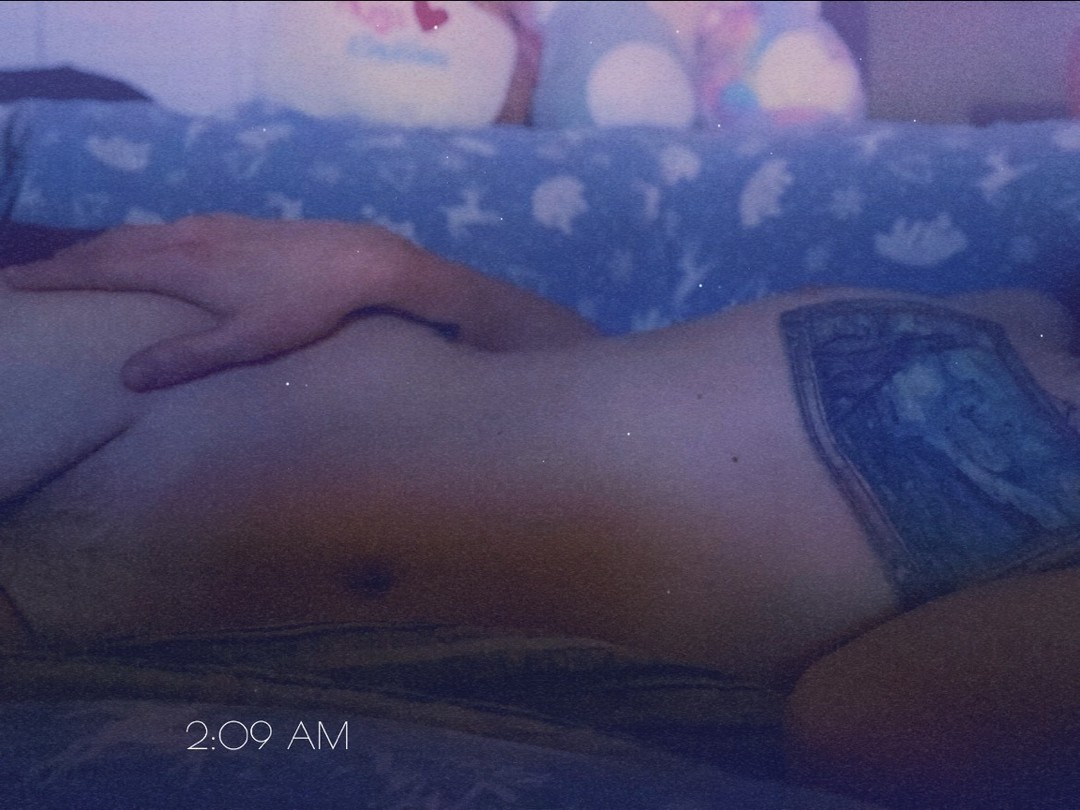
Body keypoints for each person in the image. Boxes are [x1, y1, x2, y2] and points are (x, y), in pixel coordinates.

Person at [3, 214, 1080, 806]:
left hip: (181, 568)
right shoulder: (1027, 306)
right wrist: (409, 273)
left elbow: (875, 731)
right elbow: (624, 379)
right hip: (199, 357)